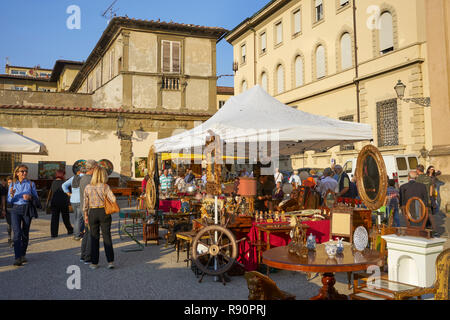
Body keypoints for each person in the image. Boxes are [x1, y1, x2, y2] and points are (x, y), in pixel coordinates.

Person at [83, 166, 116, 270]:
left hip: (92, 212)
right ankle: (110, 261)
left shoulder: (88, 187)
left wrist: (85, 215)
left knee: (94, 238)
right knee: (107, 237)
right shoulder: (105, 186)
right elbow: (113, 199)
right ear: (103, 175)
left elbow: (85, 204)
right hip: (104, 211)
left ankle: (94, 263)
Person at [7, 165, 39, 266]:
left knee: (25, 232)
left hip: (26, 209)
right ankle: (17, 257)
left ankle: (23, 254)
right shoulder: (12, 184)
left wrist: (30, 197)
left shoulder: (30, 184)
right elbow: (9, 201)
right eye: (22, 171)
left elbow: (36, 199)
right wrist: (12, 195)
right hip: (15, 209)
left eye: (26, 171)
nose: (24, 173)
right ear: (17, 173)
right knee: (17, 233)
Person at [399, 171, 438, 236]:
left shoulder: (403, 187)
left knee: (410, 225)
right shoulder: (422, 186)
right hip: (420, 209)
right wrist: (425, 209)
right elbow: (425, 198)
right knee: (420, 225)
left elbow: (402, 201)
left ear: (408, 178)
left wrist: (404, 212)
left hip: (408, 210)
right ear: (416, 178)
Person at [79, 159, 98, 264]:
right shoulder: (89, 180)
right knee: (91, 233)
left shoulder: (84, 178)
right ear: (92, 168)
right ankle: (88, 256)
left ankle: (83, 255)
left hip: (86, 209)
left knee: (87, 233)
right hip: (89, 210)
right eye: (96, 167)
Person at [62, 168, 85, 240]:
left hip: (73, 200)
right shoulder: (85, 178)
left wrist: (68, 193)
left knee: (77, 218)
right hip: (80, 200)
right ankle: (77, 235)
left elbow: (63, 185)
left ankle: (78, 232)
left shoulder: (73, 178)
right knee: (80, 218)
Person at [49, 170, 73, 238]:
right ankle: (70, 229)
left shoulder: (53, 182)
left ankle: (54, 233)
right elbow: (69, 193)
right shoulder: (65, 182)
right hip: (63, 202)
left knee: (54, 218)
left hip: (54, 202)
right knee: (65, 217)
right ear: (62, 175)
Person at [416, 164, 437, 234]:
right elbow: (431, 191)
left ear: (418, 170)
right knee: (430, 215)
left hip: (421, 200)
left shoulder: (418, 179)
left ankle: (422, 230)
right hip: (428, 199)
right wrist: (430, 199)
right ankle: (434, 230)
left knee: (421, 215)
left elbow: (418, 191)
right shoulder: (428, 178)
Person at [0, 177, 12, 247]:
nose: (10, 184)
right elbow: (3, 199)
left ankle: (14, 239)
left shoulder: (15, 188)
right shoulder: (5, 190)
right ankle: (9, 238)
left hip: (14, 208)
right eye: (9, 183)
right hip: (8, 209)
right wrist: (3, 209)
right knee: (9, 224)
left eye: (11, 182)